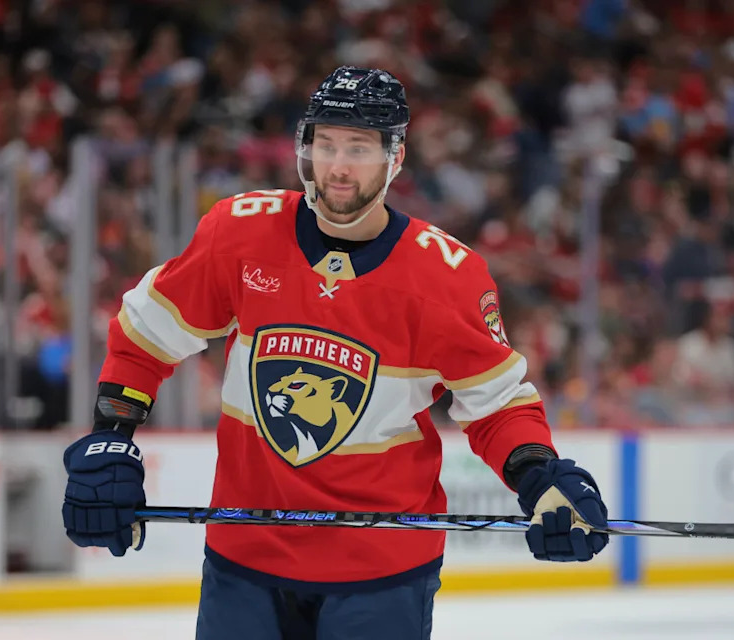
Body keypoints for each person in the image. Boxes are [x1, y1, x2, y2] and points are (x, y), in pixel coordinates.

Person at [61, 66, 609, 640]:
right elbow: (145, 337)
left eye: (358, 148)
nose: (338, 167)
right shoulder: (239, 234)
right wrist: (110, 437)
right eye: (325, 145)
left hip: (382, 572)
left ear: (395, 158)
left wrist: (539, 475)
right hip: (245, 559)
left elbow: (497, 406)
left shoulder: (446, 277)